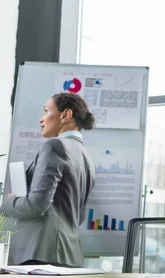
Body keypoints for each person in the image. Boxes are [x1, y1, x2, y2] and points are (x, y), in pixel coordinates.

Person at [0, 92, 96, 267]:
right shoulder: (86, 156)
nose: (41, 119)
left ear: (66, 115)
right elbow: (79, 215)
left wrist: (8, 203)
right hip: (69, 255)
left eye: (46, 111)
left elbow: (37, 203)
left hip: (41, 255)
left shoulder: (55, 145)